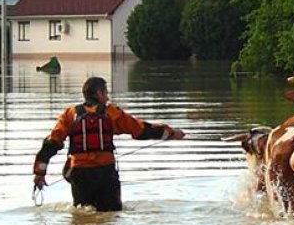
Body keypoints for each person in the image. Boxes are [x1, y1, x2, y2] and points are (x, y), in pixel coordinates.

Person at [32, 76, 185, 211]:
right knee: (111, 215)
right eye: (106, 93)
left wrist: (39, 173)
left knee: (82, 213)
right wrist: (171, 133)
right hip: (105, 173)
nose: (107, 97)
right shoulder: (111, 113)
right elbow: (141, 130)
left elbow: (51, 143)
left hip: (80, 175)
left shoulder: (69, 115)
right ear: (99, 93)